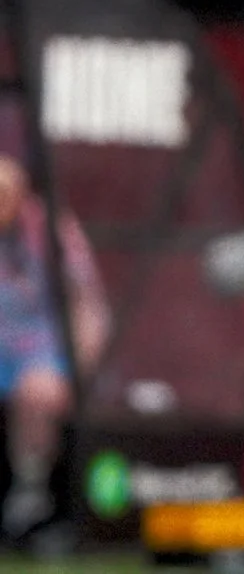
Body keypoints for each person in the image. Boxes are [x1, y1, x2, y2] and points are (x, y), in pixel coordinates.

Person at [0, 157, 106, 537]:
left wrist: (79, 372)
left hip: (44, 353)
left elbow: (88, 306)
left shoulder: (51, 230)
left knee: (38, 391)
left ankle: (29, 496)